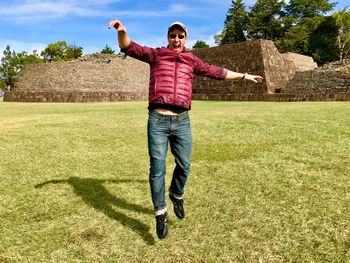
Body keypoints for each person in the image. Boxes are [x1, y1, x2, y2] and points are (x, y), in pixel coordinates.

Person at [108, 19, 263, 240]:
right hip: (158, 120)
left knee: (185, 165)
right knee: (157, 169)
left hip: (182, 121)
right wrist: (122, 31)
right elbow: (129, 47)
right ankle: (160, 213)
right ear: (168, 37)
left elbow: (217, 72)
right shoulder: (156, 54)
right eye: (173, 35)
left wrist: (244, 75)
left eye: (181, 36)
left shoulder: (192, 60)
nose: (177, 39)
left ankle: (176, 194)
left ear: (186, 38)